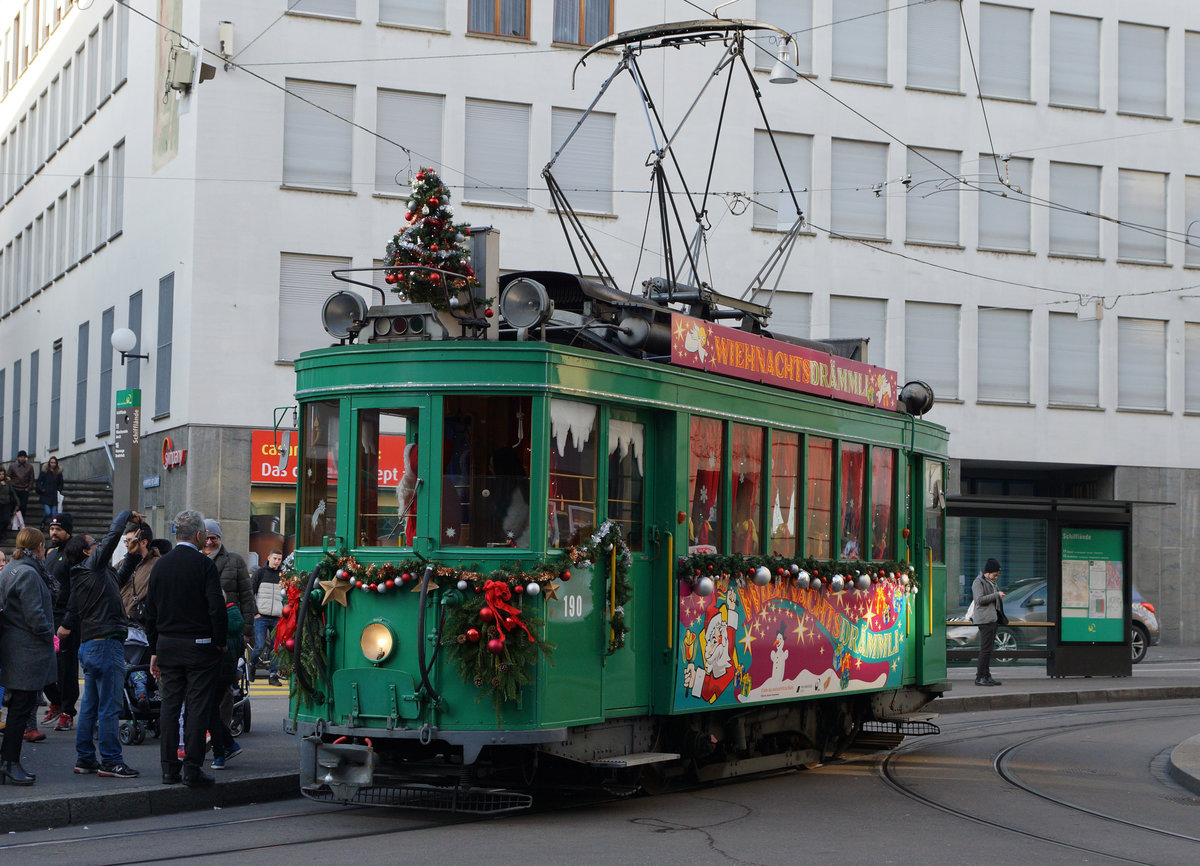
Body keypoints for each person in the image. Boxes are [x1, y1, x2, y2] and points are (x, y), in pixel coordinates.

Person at [147, 510, 227, 788]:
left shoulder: (161, 565)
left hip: (167, 645)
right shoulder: (204, 565)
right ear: (198, 534)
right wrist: (220, 641)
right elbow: (216, 607)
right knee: (197, 706)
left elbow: (150, 611)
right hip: (199, 646)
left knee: (170, 705)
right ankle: (192, 768)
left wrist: (154, 648)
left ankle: (169, 769)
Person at [0, 528, 58, 785]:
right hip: (27, 651)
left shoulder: (11, 569)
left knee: (17, 708)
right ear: (39, 547)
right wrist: (49, 635)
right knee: (20, 710)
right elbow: (35, 615)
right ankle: (10, 763)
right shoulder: (28, 573)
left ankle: (7, 762)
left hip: (15, 647)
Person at [116, 522, 164, 710]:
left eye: (130, 540)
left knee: (146, 673)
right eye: (125, 541)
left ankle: (147, 708)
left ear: (143, 542)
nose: (126, 545)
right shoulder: (123, 564)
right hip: (123, 628)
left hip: (145, 630)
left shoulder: (157, 565)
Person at [44, 513, 79, 731]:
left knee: (66, 667)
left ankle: (67, 711)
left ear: (67, 531)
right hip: (49, 616)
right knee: (47, 664)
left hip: (65, 618)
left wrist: (68, 621)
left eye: (58, 529)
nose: (54, 533)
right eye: (51, 529)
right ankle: (56, 702)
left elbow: (76, 590)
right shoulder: (51, 554)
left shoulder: (73, 554)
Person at [209, 600, 244, 771]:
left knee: (209, 712)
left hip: (214, 671)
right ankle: (229, 745)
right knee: (211, 711)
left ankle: (221, 751)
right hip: (228, 672)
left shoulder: (217, 619)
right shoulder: (235, 619)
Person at [250, 549, 284, 686]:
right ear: (269, 558)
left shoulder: (282, 575)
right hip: (261, 616)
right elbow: (250, 593)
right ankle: (252, 665)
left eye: (279, 559)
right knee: (259, 645)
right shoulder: (260, 573)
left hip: (277, 617)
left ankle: (273, 675)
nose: (277, 561)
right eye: (275, 558)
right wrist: (255, 612)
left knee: (276, 648)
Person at [971, 557, 1006, 687]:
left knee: (989, 650)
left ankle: (987, 676)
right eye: (995, 574)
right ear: (988, 572)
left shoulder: (991, 582)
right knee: (985, 650)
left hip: (992, 619)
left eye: (997, 575)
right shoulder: (978, 582)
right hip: (984, 620)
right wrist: (997, 595)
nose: (996, 577)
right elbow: (979, 600)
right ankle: (980, 677)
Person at [36, 457, 64, 530]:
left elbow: (61, 483)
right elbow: (38, 481)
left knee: (53, 514)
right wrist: (42, 489)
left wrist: (59, 491)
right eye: (51, 462)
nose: (53, 464)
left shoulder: (58, 473)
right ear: (49, 463)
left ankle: (52, 527)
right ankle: (43, 522)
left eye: (54, 463)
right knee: (48, 512)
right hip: (46, 495)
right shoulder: (45, 471)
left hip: (54, 495)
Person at [7, 451, 35, 525]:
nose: (22, 458)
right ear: (18, 457)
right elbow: (8, 477)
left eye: (24, 457)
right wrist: (11, 487)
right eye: (21, 457)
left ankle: (21, 522)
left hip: (24, 489)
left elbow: (31, 479)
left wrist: (28, 488)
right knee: (12, 505)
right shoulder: (12, 466)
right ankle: (11, 520)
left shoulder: (29, 467)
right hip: (14, 489)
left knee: (23, 507)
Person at [0, 469, 17, 539]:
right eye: (0, 474)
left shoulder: (7, 482)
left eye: (2, 474)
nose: (1, 476)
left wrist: (17, 502)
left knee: (6, 520)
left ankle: (3, 532)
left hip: (6, 503)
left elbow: (12, 492)